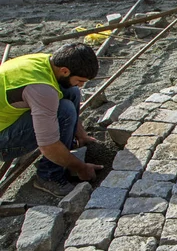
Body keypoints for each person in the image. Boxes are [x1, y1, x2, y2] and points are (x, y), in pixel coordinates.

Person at [0, 43, 103, 197]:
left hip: (8, 118)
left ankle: (76, 139)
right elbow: (48, 145)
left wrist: (81, 134)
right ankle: (49, 175)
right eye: (81, 80)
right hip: (3, 142)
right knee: (64, 111)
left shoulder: (48, 62)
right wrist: (80, 168)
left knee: (71, 90)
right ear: (65, 70)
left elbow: (71, 88)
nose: (82, 85)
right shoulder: (42, 89)